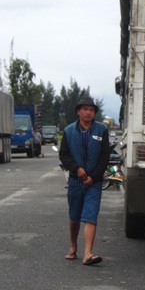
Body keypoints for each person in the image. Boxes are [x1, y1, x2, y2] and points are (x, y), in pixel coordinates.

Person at [59, 96, 110, 266]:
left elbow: (104, 156)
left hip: (94, 182)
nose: (88, 112)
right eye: (85, 109)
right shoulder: (68, 131)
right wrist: (77, 169)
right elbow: (64, 155)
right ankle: (73, 246)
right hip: (75, 181)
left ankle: (88, 253)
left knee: (91, 216)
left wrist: (94, 176)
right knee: (74, 217)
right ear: (78, 111)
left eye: (91, 110)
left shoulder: (101, 130)